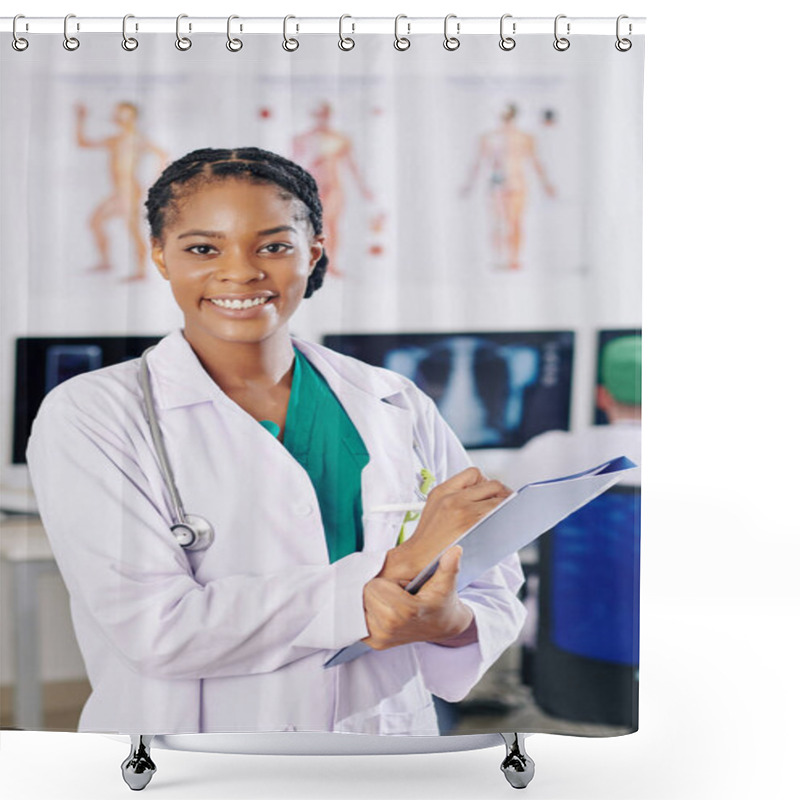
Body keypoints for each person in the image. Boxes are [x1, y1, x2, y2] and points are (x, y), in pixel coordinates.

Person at [26, 147, 526, 736]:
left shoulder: (394, 402)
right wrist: (395, 575)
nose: (240, 271)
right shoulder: (93, 414)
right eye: (202, 248)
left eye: (273, 245)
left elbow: (493, 582)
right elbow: (156, 627)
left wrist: (449, 621)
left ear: (313, 252)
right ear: (160, 255)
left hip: (381, 740)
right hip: (198, 751)